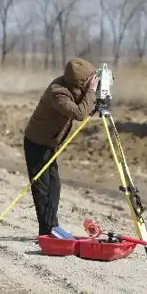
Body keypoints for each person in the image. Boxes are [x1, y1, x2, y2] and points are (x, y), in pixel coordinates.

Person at [22, 58, 100, 238]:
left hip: (50, 143)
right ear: (81, 81)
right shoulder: (58, 92)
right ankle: (47, 231)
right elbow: (80, 113)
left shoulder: (72, 86)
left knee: (54, 185)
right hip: (37, 143)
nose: (93, 81)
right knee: (42, 189)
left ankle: (52, 226)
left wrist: (92, 93)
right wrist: (91, 92)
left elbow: (82, 101)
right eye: (90, 78)